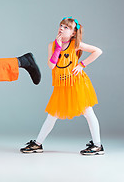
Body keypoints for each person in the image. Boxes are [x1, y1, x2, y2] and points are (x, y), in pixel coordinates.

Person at [20, 17, 104, 155]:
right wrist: (58, 48)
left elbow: (98, 51)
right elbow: (51, 65)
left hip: (76, 83)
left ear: (73, 33)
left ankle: (97, 145)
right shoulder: (52, 45)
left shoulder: (76, 44)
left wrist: (82, 65)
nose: (61, 28)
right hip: (61, 85)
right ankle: (37, 144)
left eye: (66, 27)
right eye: (61, 25)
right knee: (52, 115)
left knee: (88, 113)